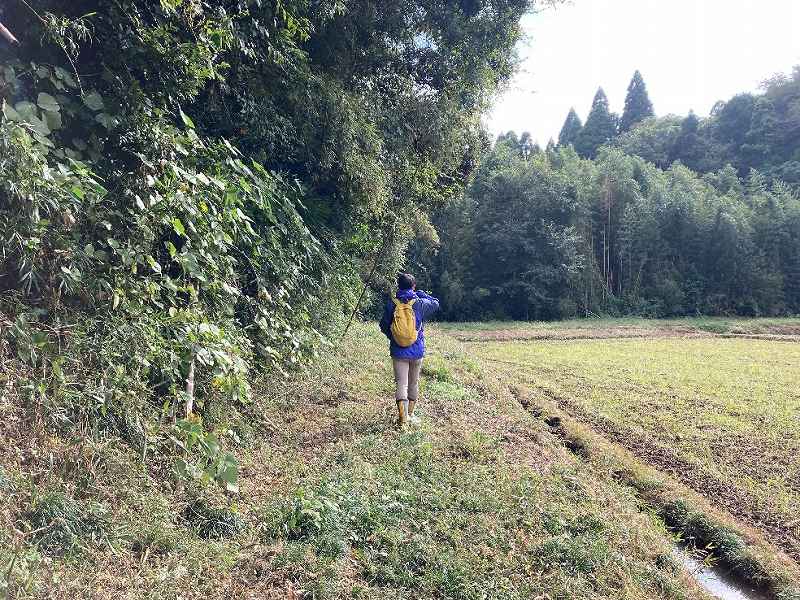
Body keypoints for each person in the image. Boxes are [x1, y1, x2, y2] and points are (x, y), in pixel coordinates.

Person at [379, 273, 440, 427]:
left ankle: (403, 419)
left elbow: (383, 326)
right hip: (417, 350)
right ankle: (411, 414)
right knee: (413, 383)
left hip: (398, 351)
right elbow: (436, 303)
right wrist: (420, 293)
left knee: (401, 383)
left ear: (398, 286)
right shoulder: (419, 302)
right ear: (413, 286)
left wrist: (393, 337)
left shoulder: (391, 303)